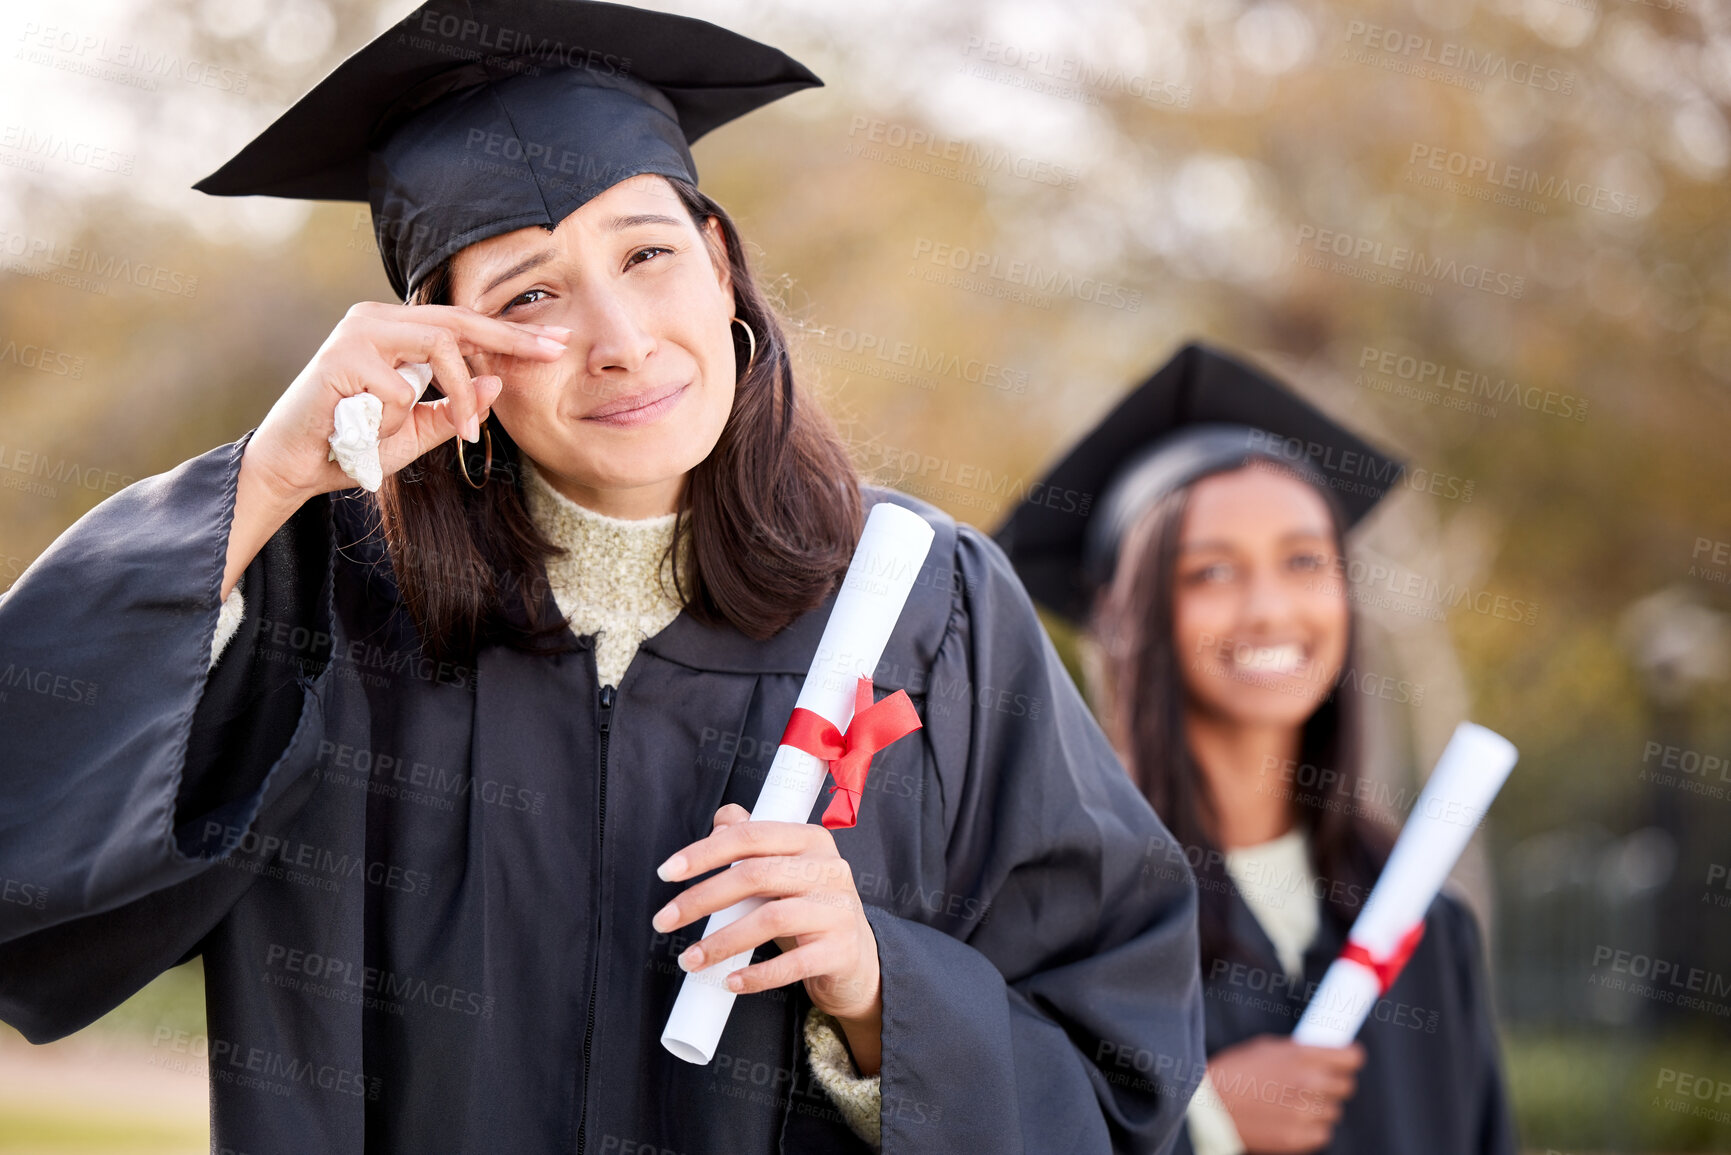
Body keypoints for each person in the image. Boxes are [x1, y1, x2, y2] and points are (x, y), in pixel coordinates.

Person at [0, 3, 1206, 1153]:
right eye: (529, 295)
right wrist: (263, 482)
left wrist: (879, 990)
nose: (620, 337)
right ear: (443, 344)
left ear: (721, 262)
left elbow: (1119, 1071)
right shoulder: (323, 607)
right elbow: (26, 858)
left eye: (648, 254)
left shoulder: (932, 608)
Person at [996, 342, 1518, 1154]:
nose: (1270, 608)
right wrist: (1200, 1119)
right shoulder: (1066, 908)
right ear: (1121, 612)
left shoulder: (1423, 918)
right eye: (1210, 572)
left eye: (1305, 560)